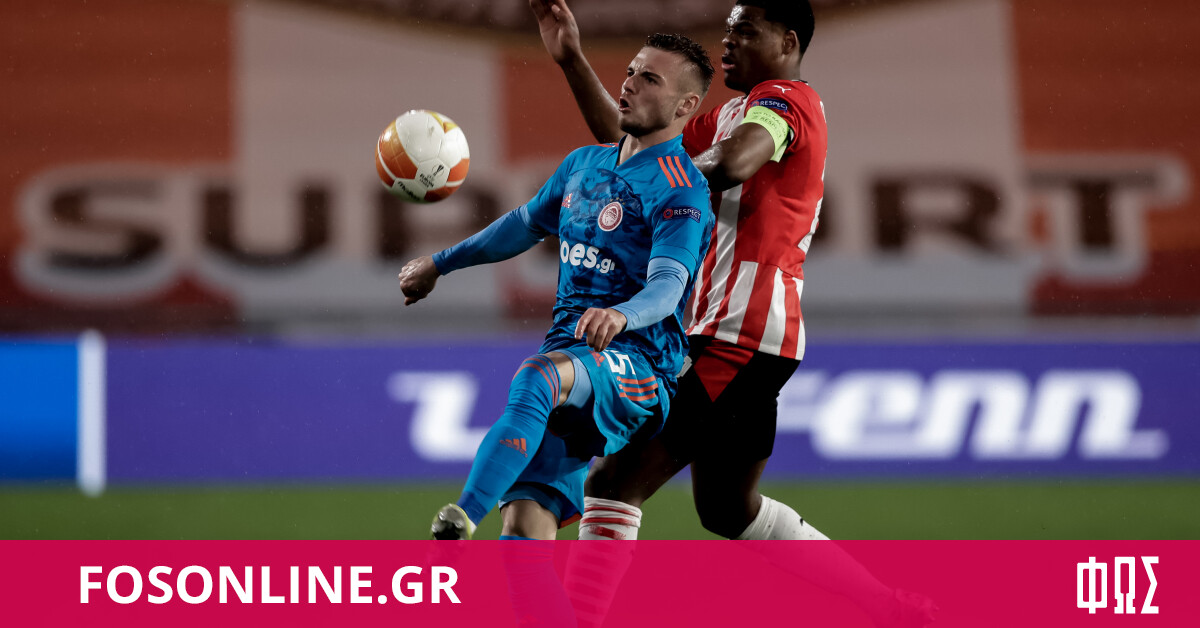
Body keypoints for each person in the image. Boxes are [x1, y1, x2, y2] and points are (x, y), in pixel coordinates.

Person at [531, 1, 937, 626]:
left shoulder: (785, 102)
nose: (728, 42)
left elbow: (734, 161)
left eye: (746, 31)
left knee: (612, 482)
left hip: (734, 332)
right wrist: (572, 60)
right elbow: (631, 140)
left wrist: (653, 189)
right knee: (726, 508)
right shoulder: (728, 113)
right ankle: (890, 608)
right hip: (742, 335)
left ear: (788, 42)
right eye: (727, 30)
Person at [399, 33, 714, 544]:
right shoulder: (583, 164)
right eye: (631, 72)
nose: (629, 84)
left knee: (538, 376)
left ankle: (460, 520)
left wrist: (621, 315)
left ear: (685, 105)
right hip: (573, 352)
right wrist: (440, 264)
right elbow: (522, 226)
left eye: (649, 79)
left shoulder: (682, 188)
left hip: (640, 366)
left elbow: (667, 286)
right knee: (525, 525)